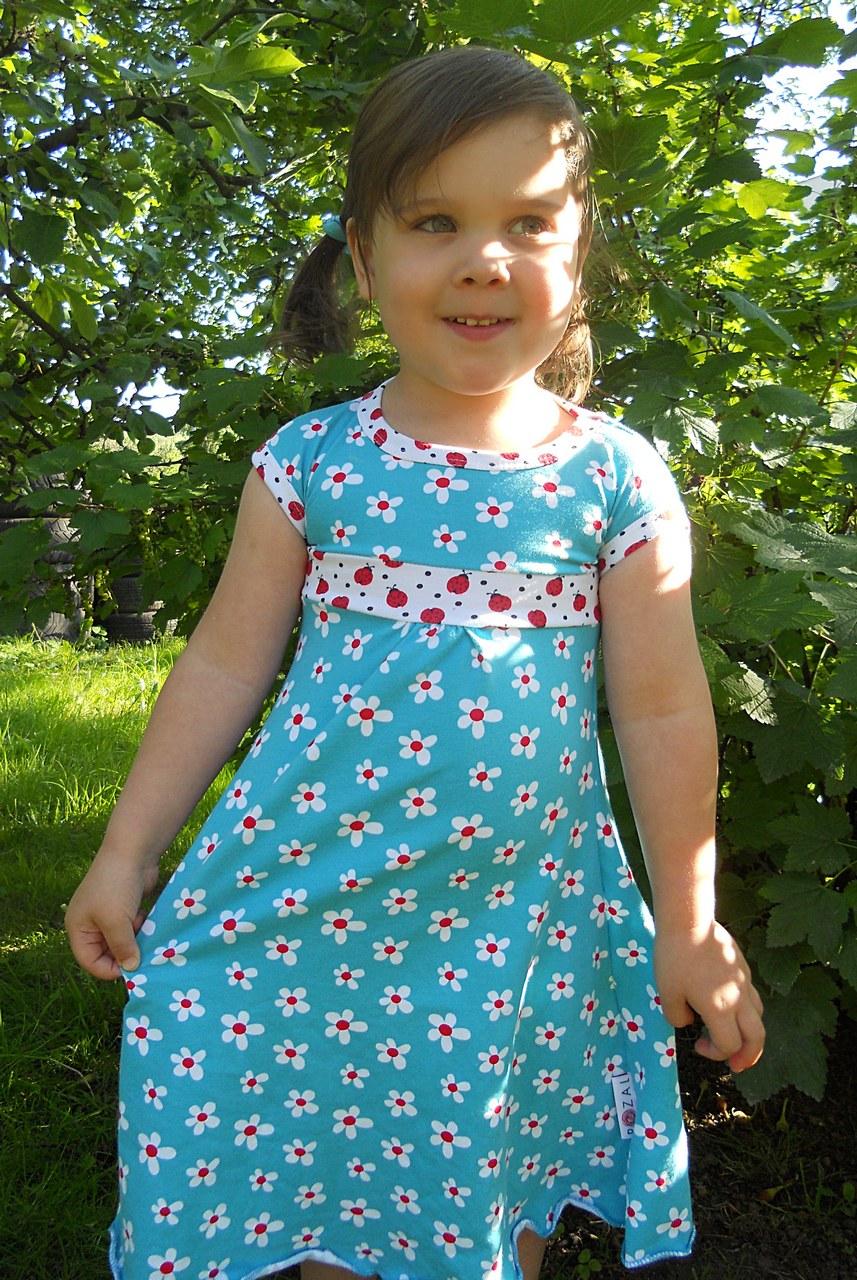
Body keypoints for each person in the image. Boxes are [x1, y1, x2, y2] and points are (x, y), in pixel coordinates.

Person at [66, 44, 765, 1280]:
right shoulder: (310, 463)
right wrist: (126, 851)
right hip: (306, 907)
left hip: (514, 922)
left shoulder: (611, 476)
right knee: (325, 1189)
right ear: (362, 252)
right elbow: (220, 668)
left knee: (481, 1194)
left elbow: (661, 710)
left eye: (528, 222)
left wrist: (690, 919)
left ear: (579, 250)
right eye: (434, 221)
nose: (483, 259)